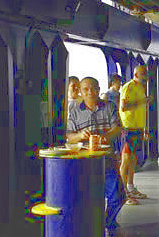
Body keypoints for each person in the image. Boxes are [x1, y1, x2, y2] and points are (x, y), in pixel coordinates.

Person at [66, 77, 125, 234]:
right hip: (85, 163)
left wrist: (105, 137)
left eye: (94, 89)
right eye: (86, 89)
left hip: (107, 160)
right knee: (88, 199)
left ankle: (107, 222)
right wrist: (80, 135)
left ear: (99, 90)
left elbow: (117, 127)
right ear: (80, 91)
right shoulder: (75, 112)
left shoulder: (109, 107)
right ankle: (96, 227)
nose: (90, 92)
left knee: (117, 196)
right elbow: (69, 137)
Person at [119, 65, 152, 205]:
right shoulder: (129, 87)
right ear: (136, 74)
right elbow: (123, 107)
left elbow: (141, 109)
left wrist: (144, 129)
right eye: (143, 73)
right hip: (128, 128)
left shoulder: (141, 87)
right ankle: (122, 192)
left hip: (138, 128)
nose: (146, 76)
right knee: (126, 160)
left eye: (146, 73)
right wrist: (141, 102)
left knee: (133, 159)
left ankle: (130, 187)